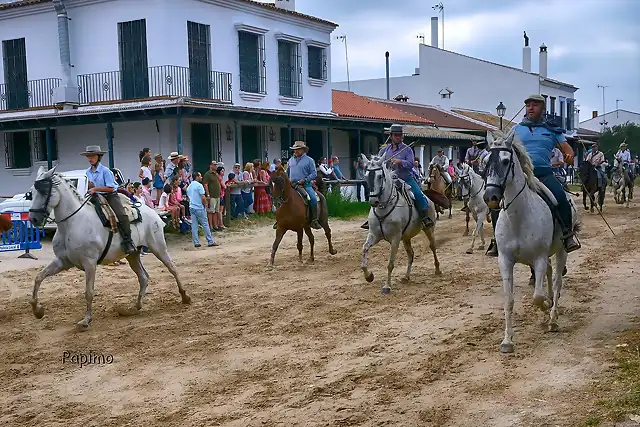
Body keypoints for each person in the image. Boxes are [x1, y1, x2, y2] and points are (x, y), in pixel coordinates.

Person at [486, 94, 579, 257]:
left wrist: (569, 155)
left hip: (544, 174)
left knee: (560, 198)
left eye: (535, 105)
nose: (530, 107)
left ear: (542, 108)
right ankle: (496, 239)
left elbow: (567, 148)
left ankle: (567, 234)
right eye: (528, 105)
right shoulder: (515, 129)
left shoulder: (552, 130)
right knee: (497, 202)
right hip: (520, 176)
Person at [364, 124, 434, 229]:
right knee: (376, 194)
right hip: (389, 180)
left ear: (402, 137)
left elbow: (411, 164)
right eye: (396, 135)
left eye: (400, 135)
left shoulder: (407, 150)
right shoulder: (384, 150)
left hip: (406, 178)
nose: (398, 137)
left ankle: (424, 217)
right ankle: (372, 219)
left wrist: (400, 162)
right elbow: (378, 164)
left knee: (418, 194)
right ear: (391, 136)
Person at [81, 145, 136, 255]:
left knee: (121, 215)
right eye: (88, 156)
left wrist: (95, 188)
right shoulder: (86, 172)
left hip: (110, 195)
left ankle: (128, 241)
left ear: (99, 157)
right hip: (94, 196)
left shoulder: (106, 171)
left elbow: (110, 188)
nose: (90, 158)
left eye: (92, 156)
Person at [276, 141, 322, 229]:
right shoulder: (290, 160)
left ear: (303, 150)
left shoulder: (309, 160)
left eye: (298, 149)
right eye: (294, 149)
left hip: (305, 185)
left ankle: (314, 220)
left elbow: (314, 174)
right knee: (281, 197)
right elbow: (287, 173)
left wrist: (304, 180)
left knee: (312, 198)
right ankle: (279, 220)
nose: (296, 151)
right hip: (292, 185)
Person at [187, 172, 218, 248]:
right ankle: (210, 241)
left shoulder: (189, 186)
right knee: (205, 224)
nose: (201, 177)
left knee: (194, 225)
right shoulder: (199, 185)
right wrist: (205, 204)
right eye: (200, 176)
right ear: (197, 177)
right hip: (199, 207)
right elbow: (203, 197)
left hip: (192, 206)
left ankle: (196, 242)